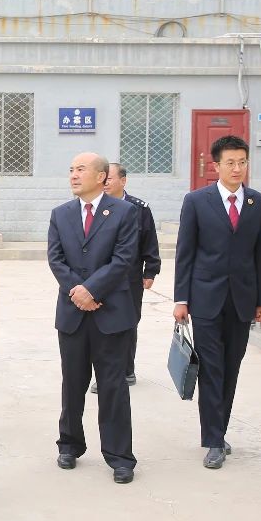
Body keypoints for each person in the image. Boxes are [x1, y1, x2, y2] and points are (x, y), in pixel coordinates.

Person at [172, 135, 261, 470]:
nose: (237, 168)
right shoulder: (196, 201)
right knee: (212, 368)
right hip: (205, 299)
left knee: (231, 368)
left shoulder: (259, 203)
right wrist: (181, 299)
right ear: (216, 166)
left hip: (242, 300)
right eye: (230, 162)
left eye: (242, 162)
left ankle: (220, 431)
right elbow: (185, 253)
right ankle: (213, 440)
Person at [47, 152, 140, 484]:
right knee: (72, 383)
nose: (73, 175)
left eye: (81, 169)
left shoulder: (125, 212)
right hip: (72, 312)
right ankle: (69, 444)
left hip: (111, 313)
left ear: (101, 176)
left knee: (113, 386)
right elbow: (56, 258)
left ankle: (120, 456)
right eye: (71, 169)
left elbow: (124, 259)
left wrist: (93, 290)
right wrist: (78, 291)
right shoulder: (61, 214)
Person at [90, 163, 161, 392]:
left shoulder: (139, 209)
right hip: (100, 277)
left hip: (129, 278)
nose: (105, 183)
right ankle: (104, 374)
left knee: (128, 323)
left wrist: (151, 270)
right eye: (103, 178)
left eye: (110, 178)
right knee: (100, 324)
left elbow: (149, 241)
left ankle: (126, 369)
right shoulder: (94, 206)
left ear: (123, 181)